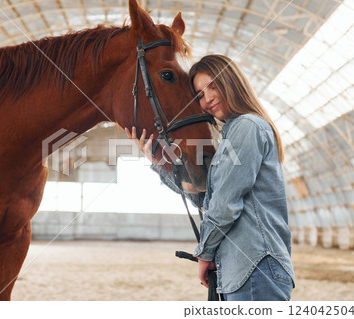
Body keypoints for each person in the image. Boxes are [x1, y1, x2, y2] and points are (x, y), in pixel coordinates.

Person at [125, 54, 295, 301]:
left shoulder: (247, 126)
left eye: (213, 86)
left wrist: (204, 254)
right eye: (200, 95)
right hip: (241, 269)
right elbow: (204, 198)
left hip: (255, 268)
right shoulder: (232, 134)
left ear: (232, 81)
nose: (208, 98)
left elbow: (224, 205)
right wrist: (158, 162)